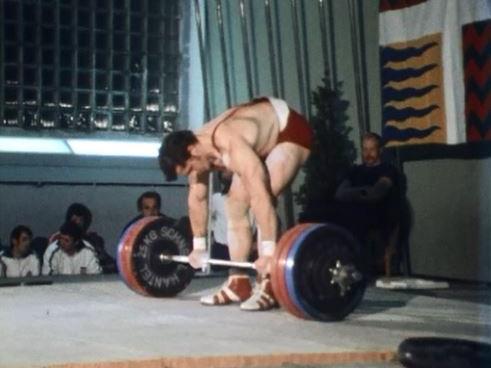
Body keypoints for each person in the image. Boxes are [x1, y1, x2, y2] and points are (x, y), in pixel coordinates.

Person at [159, 96, 312, 311]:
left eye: (190, 169)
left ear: (193, 151)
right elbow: (197, 198)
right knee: (235, 205)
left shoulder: (230, 144)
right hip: (256, 138)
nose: (192, 174)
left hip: (287, 131)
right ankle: (238, 281)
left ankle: (268, 281)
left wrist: (268, 254)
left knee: (264, 193)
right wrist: (199, 247)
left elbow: (261, 198)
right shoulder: (196, 153)